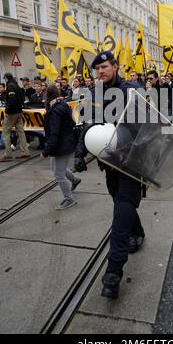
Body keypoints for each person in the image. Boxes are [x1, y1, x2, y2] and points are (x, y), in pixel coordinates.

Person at [74, 51, 145, 299]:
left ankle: (113, 273)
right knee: (120, 203)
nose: (100, 72)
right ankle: (138, 232)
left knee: (120, 214)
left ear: (115, 66)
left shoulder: (132, 89)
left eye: (104, 67)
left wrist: (124, 139)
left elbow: (146, 125)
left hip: (132, 164)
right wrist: (80, 152)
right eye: (97, 69)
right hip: (109, 164)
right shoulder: (94, 94)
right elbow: (88, 124)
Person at [41, 85, 81, 210]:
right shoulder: (62, 104)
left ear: (48, 96)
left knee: (59, 174)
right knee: (56, 168)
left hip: (62, 145)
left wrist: (46, 151)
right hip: (65, 143)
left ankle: (68, 199)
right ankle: (75, 179)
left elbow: (54, 133)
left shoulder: (55, 110)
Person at [0, 72, 30, 162]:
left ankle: (8, 154)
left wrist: (7, 111)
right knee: (20, 131)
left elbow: (12, 100)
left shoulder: (10, 86)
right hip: (19, 111)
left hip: (12, 112)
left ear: (6, 78)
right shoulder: (16, 85)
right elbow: (22, 98)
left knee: (6, 131)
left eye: (4, 78)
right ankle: (25, 152)